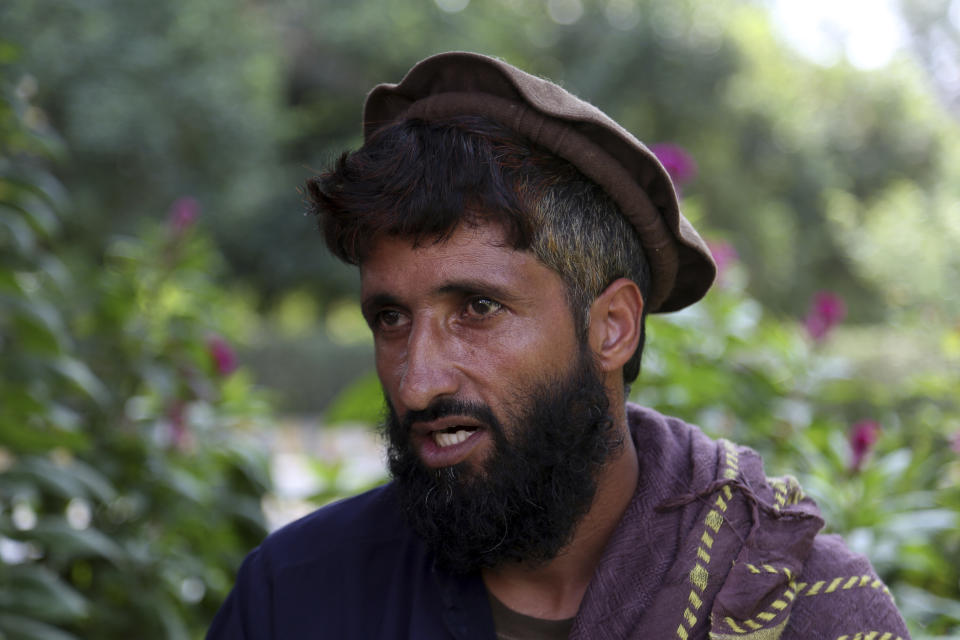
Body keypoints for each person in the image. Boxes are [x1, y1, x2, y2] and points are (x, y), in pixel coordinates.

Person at [207, 52, 910, 640]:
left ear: (612, 327)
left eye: (477, 308)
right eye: (390, 319)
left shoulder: (808, 610)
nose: (417, 382)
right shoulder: (295, 598)